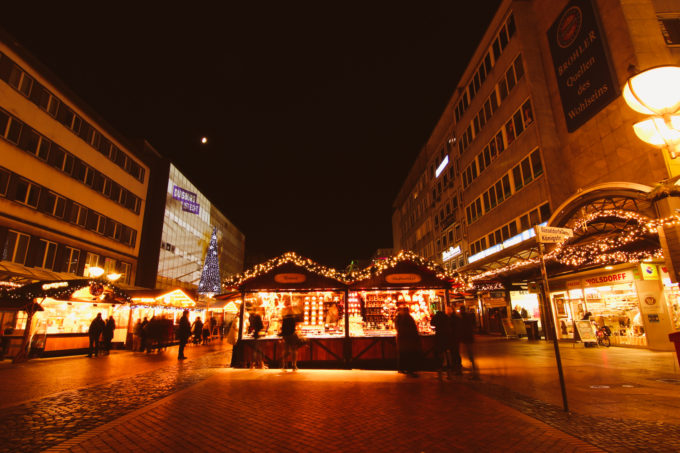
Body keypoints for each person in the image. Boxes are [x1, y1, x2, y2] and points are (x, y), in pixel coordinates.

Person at [395, 306, 421, 377]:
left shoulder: (399, 318)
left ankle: (402, 368)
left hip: (402, 339)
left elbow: (397, 328)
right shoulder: (409, 318)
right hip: (408, 340)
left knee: (403, 354)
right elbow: (413, 329)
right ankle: (409, 369)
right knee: (409, 354)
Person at [430, 308, 453, 379]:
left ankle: (440, 370)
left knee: (439, 353)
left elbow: (432, 323)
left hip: (439, 336)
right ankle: (449, 371)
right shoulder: (446, 317)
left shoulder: (436, 317)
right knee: (447, 352)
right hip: (447, 337)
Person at [460, 306, 479, 379]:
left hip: (467, 338)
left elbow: (464, 328)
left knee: (470, 354)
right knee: (470, 354)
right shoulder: (467, 317)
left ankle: (474, 372)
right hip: (469, 337)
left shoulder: (463, 318)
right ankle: (474, 370)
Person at [280, 300, 299, 371]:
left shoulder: (285, 319)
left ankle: (285, 365)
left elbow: (283, 328)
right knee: (294, 350)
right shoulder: (293, 318)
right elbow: (294, 327)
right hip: (292, 335)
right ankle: (294, 365)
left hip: (285, 336)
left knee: (285, 350)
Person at [447, 305, 463, 375]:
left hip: (454, 338)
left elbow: (455, 328)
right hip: (454, 338)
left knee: (454, 352)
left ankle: (457, 367)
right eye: (447, 309)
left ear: (452, 310)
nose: (447, 311)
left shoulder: (453, 318)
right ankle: (457, 366)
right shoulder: (453, 318)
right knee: (454, 352)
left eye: (448, 309)